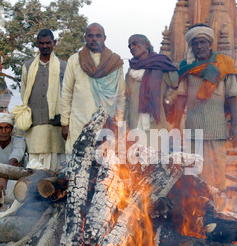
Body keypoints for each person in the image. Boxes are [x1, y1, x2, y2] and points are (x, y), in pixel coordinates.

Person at [174, 23, 237, 205]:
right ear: (191, 46)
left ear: (210, 44)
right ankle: (195, 214)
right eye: (195, 44)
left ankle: (217, 211)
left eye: (202, 42)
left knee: (216, 176)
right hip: (193, 130)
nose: (199, 47)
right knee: (193, 174)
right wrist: (176, 127)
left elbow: (232, 97)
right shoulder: (186, 67)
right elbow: (180, 99)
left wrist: (234, 126)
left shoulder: (224, 64)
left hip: (217, 131)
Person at [60, 23, 125, 155]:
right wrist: (65, 123)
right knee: (77, 162)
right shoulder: (74, 60)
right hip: (79, 121)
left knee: (104, 165)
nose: (94, 39)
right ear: (85, 38)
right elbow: (66, 93)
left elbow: (121, 96)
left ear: (104, 38)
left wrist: (118, 123)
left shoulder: (115, 62)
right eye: (90, 36)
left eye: (98, 36)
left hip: (106, 124)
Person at [18, 29, 67, 170]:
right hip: (35, 124)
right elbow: (24, 93)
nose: (45, 46)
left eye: (48, 43)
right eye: (41, 43)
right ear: (37, 44)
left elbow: (68, 94)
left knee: (56, 167)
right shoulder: (28, 66)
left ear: (54, 43)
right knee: (35, 167)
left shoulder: (64, 66)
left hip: (57, 125)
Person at [125, 34, 179, 147]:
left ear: (146, 45)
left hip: (156, 123)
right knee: (136, 161)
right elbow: (127, 99)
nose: (132, 48)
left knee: (157, 160)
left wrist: (166, 102)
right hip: (135, 124)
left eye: (135, 44)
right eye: (129, 46)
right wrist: (126, 124)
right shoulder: (131, 71)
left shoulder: (161, 66)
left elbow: (177, 87)